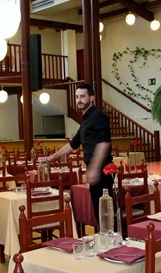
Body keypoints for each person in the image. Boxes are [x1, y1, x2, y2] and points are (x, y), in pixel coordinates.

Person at [44, 83, 113, 222]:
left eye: (82, 96)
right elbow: (72, 144)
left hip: (103, 171)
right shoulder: (86, 120)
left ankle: (112, 242)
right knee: (99, 213)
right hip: (95, 170)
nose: (79, 100)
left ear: (91, 98)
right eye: (76, 97)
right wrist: (50, 159)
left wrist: (94, 168)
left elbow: (104, 143)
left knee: (105, 215)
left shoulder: (98, 116)